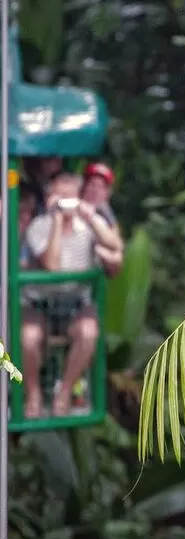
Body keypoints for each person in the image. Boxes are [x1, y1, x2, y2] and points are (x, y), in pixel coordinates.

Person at [21, 172, 119, 417]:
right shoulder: (38, 227)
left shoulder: (86, 227)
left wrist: (89, 215)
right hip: (40, 303)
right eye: (59, 196)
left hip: (75, 303)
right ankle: (32, 393)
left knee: (88, 332)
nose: (65, 203)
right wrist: (56, 220)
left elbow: (113, 246)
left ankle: (65, 392)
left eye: (70, 197)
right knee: (28, 337)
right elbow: (52, 264)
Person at [81, 162, 124, 277]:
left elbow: (117, 246)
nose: (95, 190)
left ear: (107, 193)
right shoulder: (73, 203)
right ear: (84, 186)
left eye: (101, 187)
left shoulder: (105, 211)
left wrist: (110, 255)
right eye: (92, 184)